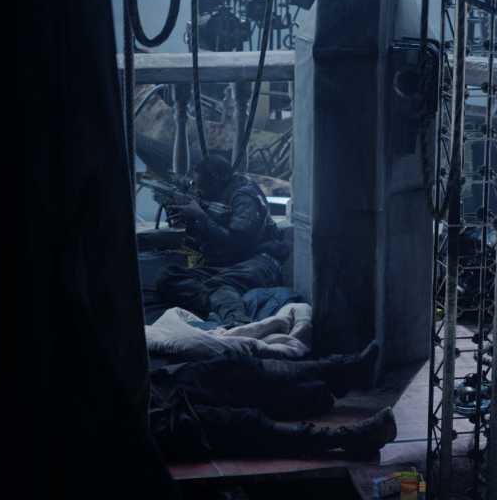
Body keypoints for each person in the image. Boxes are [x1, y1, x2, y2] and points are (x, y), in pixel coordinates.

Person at [148, 342, 396, 460]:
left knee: (227, 368)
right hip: (139, 423)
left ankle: (337, 368)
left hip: (145, 388)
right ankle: (347, 438)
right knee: (227, 421)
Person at [156, 156, 291, 326]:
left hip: (259, 265)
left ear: (215, 186)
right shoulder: (217, 198)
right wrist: (190, 222)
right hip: (228, 268)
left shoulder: (244, 198)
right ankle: (222, 301)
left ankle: (237, 320)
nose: (196, 192)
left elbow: (235, 244)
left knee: (216, 285)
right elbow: (213, 241)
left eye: (200, 187)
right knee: (168, 276)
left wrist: (200, 215)